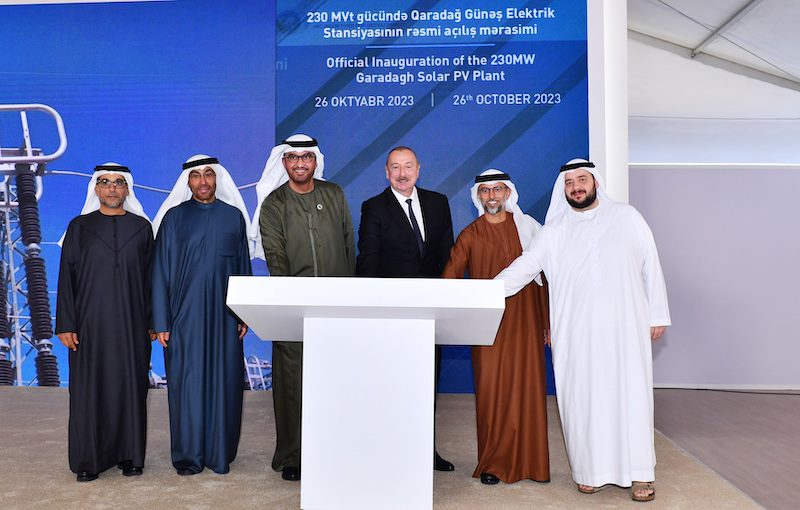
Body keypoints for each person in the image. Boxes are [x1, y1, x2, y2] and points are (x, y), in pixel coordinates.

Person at [496, 159, 670, 502]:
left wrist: (656, 314)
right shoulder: (555, 231)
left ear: (595, 182)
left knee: (629, 398)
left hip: (625, 329)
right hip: (577, 334)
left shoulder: (627, 217)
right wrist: (486, 291)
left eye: (582, 179)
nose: (576, 186)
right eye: (569, 182)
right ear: (563, 189)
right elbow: (525, 266)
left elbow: (651, 263)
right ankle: (591, 472)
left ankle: (639, 475)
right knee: (583, 401)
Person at [441, 169, 550, 485]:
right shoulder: (469, 235)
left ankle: (532, 464)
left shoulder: (529, 229)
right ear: (477, 196)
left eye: (497, 190)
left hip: (526, 319)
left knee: (527, 388)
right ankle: (492, 463)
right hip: (487, 325)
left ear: (508, 193)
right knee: (491, 391)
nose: (491, 196)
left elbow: (545, 280)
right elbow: (450, 279)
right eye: (485, 191)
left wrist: (547, 323)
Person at [257, 134, 355, 481]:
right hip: (293, 306)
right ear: (284, 162)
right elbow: (276, 258)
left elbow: (347, 246)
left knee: (336, 379)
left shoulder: (334, 194)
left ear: (315, 161)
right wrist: (293, 302)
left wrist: (347, 298)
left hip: (337, 305)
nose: (300, 163)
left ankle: (336, 446)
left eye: (306, 158)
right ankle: (293, 455)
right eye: (293, 158)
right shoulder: (273, 204)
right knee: (293, 382)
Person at [151, 155, 252, 475]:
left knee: (225, 383)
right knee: (187, 385)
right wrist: (161, 321)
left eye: (209, 174)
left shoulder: (234, 217)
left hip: (225, 318)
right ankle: (188, 456)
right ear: (187, 182)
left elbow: (243, 270)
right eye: (196, 176)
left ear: (217, 178)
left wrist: (243, 313)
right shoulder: (173, 219)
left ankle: (220, 452)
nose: (203, 181)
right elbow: (159, 274)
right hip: (184, 318)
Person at [356, 146, 455, 472]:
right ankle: (390, 449)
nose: (402, 173)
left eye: (408, 166)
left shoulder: (438, 203)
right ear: (386, 172)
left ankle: (427, 451)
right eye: (395, 167)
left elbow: (447, 258)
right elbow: (367, 262)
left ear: (418, 169)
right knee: (391, 385)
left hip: (429, 312)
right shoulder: (373, 208)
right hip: (390, 313)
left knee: (426, 384)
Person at [56, 162, 153, 482]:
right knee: (89, 391)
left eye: (119, 183)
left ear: (128, 190)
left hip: (132, 324)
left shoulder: (142, 228)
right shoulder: (79, 227)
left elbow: (151, 279)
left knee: (131, 388)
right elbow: (66, 278)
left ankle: (130, 456)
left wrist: (153, 320)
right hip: (89, 326)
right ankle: (89, 460)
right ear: (96, 189)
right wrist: (66, 324)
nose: (112, 188)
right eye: (105, 182)